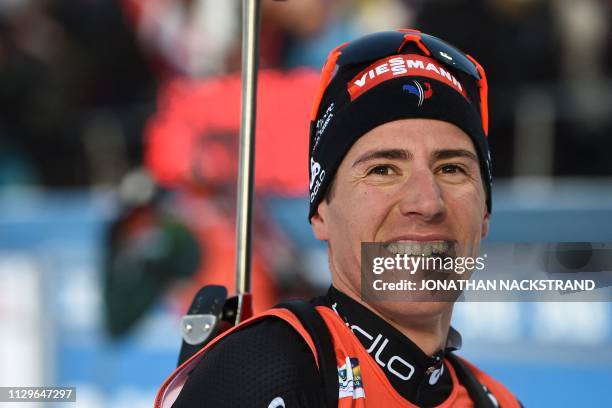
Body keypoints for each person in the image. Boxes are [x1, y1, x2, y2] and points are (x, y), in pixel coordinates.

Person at [156, 29, 522, 407]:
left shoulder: (497, 400)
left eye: (452, 169)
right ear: (321, 213)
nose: (427, 203)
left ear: (484, 214)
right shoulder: (265, 372)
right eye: (383, 170)